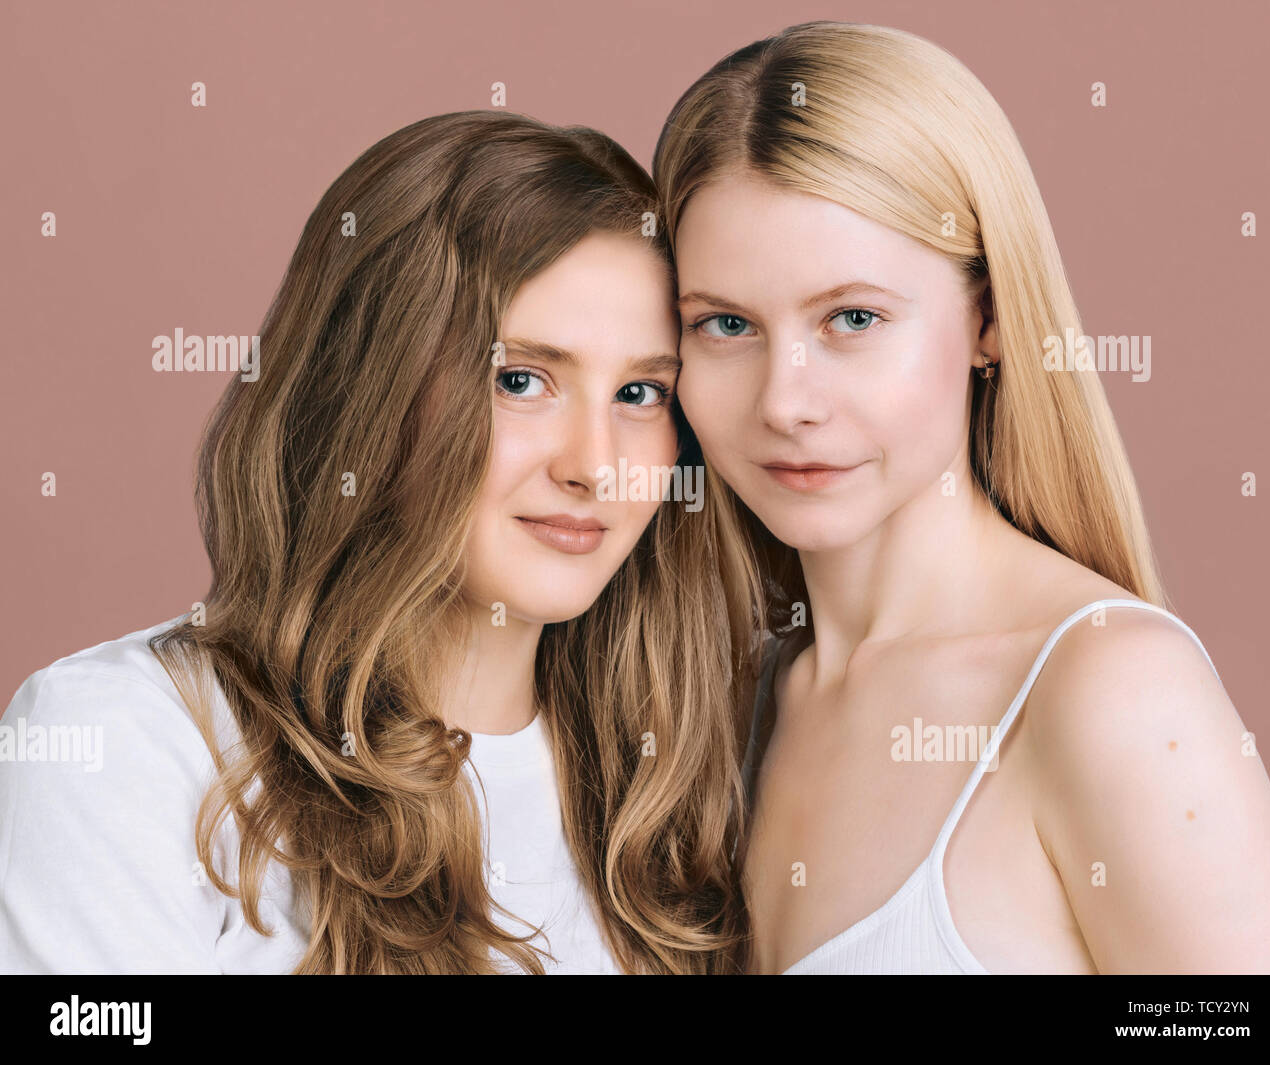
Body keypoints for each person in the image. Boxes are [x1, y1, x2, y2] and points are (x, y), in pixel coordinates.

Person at [0, 111, 752, 974]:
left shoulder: (689, 788)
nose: (595, 468)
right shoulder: (122, 744)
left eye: (641, 394)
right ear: (371, 387)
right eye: (519, 379)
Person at [652, 21, 1270, 974]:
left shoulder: (1111, 689)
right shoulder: (725, 699)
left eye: (854, 318)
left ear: (989, 320)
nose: (785, 401)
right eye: (726, 324)